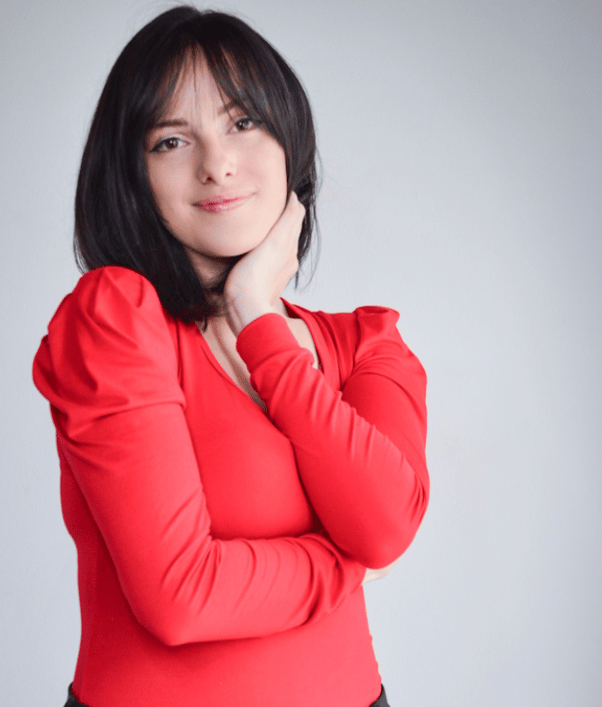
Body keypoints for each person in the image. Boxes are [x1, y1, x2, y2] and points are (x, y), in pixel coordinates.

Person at [33, 6, 429, 707]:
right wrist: (344, 567)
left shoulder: (367, 342)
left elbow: (385, 528)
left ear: (288, 138)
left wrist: (259, 323)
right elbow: (179, 597)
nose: (216, 164)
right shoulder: (116, 319)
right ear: (132, 175)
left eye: (243, 122)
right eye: (171, 140)